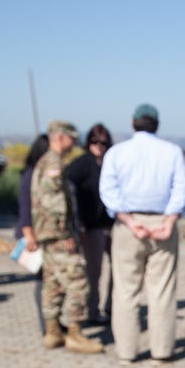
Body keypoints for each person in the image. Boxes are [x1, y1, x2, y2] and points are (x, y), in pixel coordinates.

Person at [99, 103, 185, 365]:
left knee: (126, 291)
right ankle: (161, 351)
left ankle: (127, 351)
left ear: (133, 122)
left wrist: (128, 220)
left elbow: (108, 190)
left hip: (129, 226)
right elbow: (181, 188)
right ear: (157, 124)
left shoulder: (117, 152)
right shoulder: (172, 151)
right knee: (161, 291)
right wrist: (171, 220)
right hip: (163, 223)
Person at [31, 120, 104, 354]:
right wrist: (64, 233)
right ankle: (74, 333)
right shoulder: (53, 162)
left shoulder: (45, 161)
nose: (74, 143)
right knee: (79, 281)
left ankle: (53, 332)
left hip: (48, 234)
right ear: (61, 137)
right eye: (72, 138)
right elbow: (55, 203)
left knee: (52, 282)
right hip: (58, 235)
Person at [66, 124, 114, 325]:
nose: (99, 146)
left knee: (119, 270)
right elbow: (68, 188)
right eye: (95, 141)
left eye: (103, 142)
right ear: (88, 142)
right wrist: (78, 224)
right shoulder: (81, 164)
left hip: (113, 224)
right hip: (92, 227)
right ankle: (92, 311)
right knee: (94, 271)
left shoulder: (112, 162)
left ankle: (112, 307)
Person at [17, 134, 50, 334]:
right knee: (42, 280)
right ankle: (46, 325)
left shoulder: (46, 174)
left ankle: (53, 321)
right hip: (35, 236)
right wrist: (28, 232)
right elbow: (25, 206)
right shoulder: (30, 175)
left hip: (46, 234)